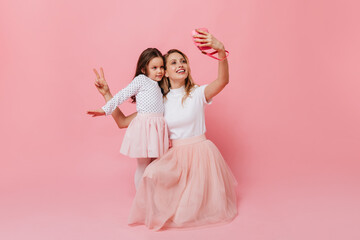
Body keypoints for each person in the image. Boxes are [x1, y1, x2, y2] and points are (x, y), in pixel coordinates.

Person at [94, 30, 237, 230]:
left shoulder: (197, 93)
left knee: (191, 212)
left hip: (200, 158)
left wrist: (221, 52)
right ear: (165, 72)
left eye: (183, 61)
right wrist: (107, 94)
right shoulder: (159, 103)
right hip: (175, 159)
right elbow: (123, 121)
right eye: (173, 62)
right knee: (151, 175)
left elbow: (223, 81)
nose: (180, 65)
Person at [87, 48, 169, 189]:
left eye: (161, 67)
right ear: (143, 69)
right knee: (143, 166)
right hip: (145, 128)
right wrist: (105, 109)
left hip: (158, 128)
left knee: (157, 166)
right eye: (154, 68)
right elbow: (122, 95)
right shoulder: (142, 80)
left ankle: (153, 197)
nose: (159, 71)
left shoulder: (160, 86)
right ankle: (141, 198)